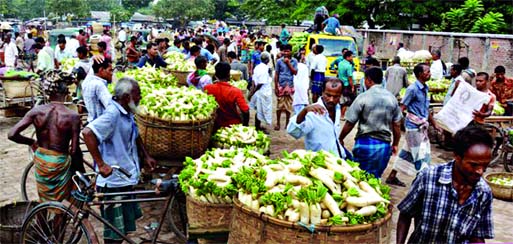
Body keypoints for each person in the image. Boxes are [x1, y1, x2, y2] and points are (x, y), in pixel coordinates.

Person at [82, 78, 156, 243]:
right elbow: (88, 133)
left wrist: (146, 156)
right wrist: (101, 164)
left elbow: (135, 135)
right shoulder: (112, 114)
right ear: (126, 96)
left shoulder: (127, 112)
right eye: (138, 94)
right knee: (114, 233)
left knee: (124, 229)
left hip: (126, 177)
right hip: (114, 183)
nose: (140, 98)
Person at [396, 126, 494, 244]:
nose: (480, 171)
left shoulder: (483, 192)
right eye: (473, 165)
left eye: (485, 166)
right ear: (457, 157)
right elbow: (405, 214)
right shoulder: (429, 177)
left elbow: (478, 236)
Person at [8, 71, 83, 202]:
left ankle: (41, 219)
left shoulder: (36, 111)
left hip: (42, 160)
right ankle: (59, 220)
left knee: (44, 199)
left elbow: (12, 134)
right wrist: (81, 173)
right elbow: (74, 151)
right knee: (65, 200)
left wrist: (31, 141)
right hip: (60, 162)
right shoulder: (73, 116)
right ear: (66, 93)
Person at [339, 67, 402, 178]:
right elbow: (397, 124)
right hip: (384, 146)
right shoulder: (392, 98)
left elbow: (350, 122)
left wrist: (341, 138)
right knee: (375, 178)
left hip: (364, 144)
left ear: (368, 80)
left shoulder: (363, 97)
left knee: (360, 178)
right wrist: (395, 143)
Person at [385, 63, 442, 187]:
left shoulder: (425, 88)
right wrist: (394, 125)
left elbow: (426, 109)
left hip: (421, 126)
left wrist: (435, 124)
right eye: (427, 72)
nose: (429, 74)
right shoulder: (412, 89)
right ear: (420, 74)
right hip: (413, 127)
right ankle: (420, 182)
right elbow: (402, 107)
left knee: (407, 152)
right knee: (421, 155)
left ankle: (392, 176)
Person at [287, 78, 346, 158]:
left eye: (336, 96)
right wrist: (304, 111)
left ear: (340, 95)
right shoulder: (313, 113)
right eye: (328, 95)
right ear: (322, 92)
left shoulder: (337, 108)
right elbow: (293, 131)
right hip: (320, 163)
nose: (331, 100)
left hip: (338, 158)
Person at [204, 62, 250, 131]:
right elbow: (245, 111)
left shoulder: (208, 88)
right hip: (233, 126)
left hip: (215, 125)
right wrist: (245, 125)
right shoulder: (235, 91)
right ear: (229, 74)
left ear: (216, 74)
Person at [82, 58, 113, 123]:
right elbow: (111, 107)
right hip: (100, 125)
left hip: (91, 121)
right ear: (101, 70)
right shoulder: (99, 85)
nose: (112, 73)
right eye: (110, 70)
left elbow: (91, 69)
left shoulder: (87, 81)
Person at [274, 44, 298, 131]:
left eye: (288, 51)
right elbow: (276, 74)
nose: (286, 53)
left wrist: (288, 63)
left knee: (288, 106)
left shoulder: (294, 61)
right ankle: (278, 123)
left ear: (291, 51)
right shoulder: (279, 61)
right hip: (281, 84)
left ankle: (287, 123)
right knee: (279, 106)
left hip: (290, 85)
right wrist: (276, 86)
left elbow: (295, 72)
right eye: (284, 51)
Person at [249, 53, 273, 132]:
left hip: (260, 91)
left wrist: (252, 91)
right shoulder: (266, 69)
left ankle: (258, 126)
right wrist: (253, 92)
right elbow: (260, 83)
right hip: (263, 92)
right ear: (268, 60)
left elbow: (253, 80)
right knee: (262, 111)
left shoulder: (257, 67)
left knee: (259, 110)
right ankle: (257, 128)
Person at [338, 50, 355, 117]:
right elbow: (350, 77)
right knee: (346, 101)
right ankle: (342, 115)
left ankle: (340, 114)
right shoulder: (348, 66)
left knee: (341, 100)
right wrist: (352, 86)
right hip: (346, 84)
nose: (352, 58)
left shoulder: (340, 63)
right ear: (347, 57)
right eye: (351, 57)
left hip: (340, 83)